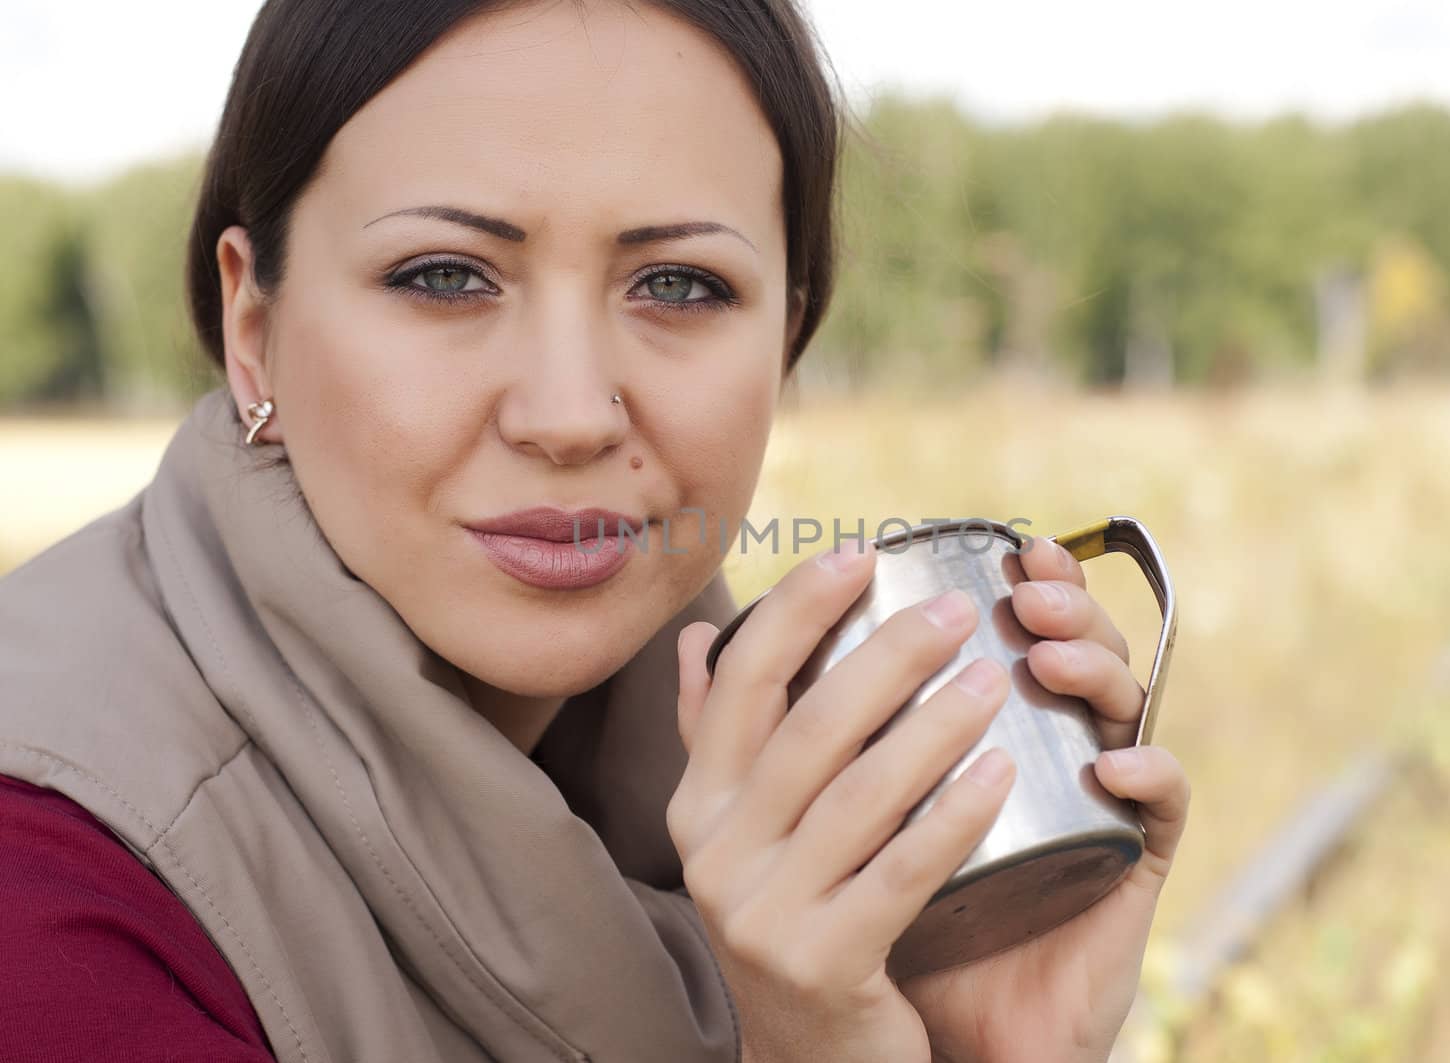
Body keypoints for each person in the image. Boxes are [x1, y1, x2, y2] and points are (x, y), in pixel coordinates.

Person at [0, 0, 1191, 1059]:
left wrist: (967, 1044)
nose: (569, 415)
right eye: (444, 275)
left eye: (676, 285)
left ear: (788, 337)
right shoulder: (53, 905)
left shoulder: (739, 799)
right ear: (252, 322)